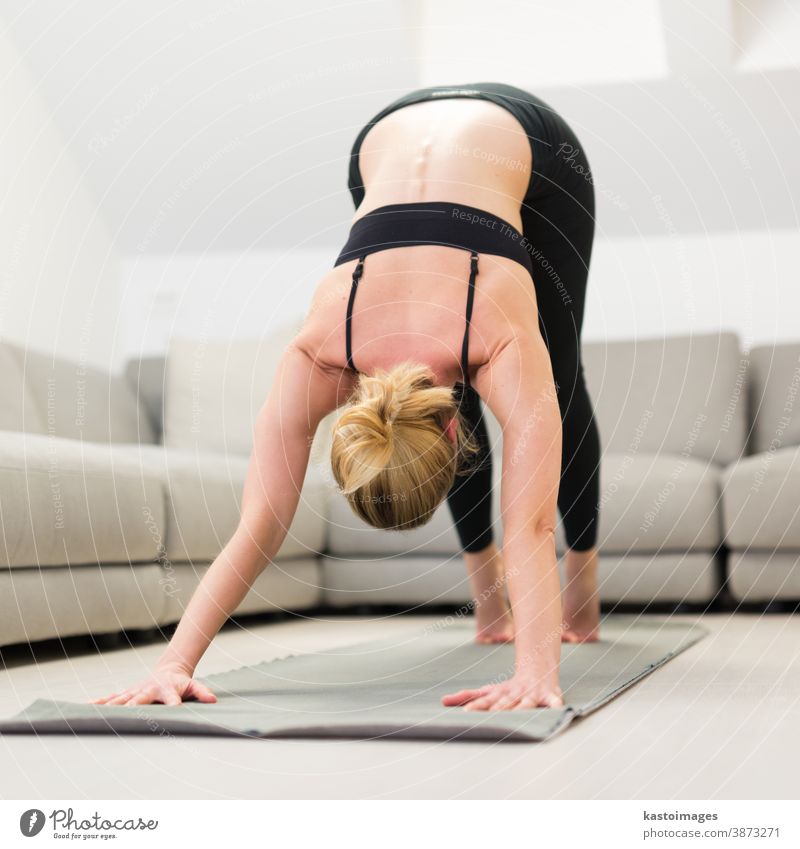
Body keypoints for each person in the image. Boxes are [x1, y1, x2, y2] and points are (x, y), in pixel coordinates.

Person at [92, 82, 601, 713]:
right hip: (379, 137)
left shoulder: (492, 335)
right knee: (522, 395)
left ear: (446, 430)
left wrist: (536, 674)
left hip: (532, 141)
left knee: (560, 377)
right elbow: (261, 526)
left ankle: (583, 593)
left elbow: (531, 525)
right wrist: (170, 665)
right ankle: (490, 607)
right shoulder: (316, 355)